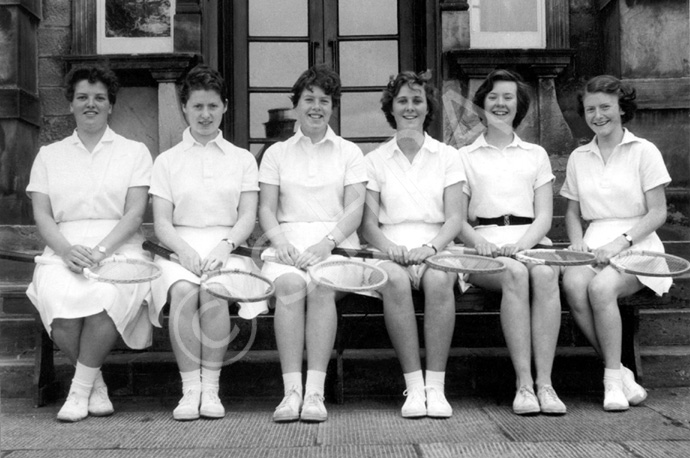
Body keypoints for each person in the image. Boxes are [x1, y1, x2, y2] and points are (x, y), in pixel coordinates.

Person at [26, 65, 153, 422]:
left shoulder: (134, 152)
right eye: (82, 97)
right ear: (71, 104)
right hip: (63, 248)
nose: (91, 104)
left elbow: (134, 214)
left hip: (119, 247)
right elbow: (43, 216)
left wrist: (99, 252)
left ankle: (78, 392)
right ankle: (93, 384)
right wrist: (66, 251)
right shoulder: (49, 155)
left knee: (105, 301)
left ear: (111, 105)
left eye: (99, 98)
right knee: (59, 305)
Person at [149, 65, 265, 421]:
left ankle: (211, 388)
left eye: (212, 106)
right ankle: (190, 390)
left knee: (214, 290)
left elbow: (247, 217)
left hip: (227, 248)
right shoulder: (167, 161)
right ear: (184, 108)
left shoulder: (242, 159)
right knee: (183, 292)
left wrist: (223, 247)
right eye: (197, 106)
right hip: (177, 248)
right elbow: (162, 222)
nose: (205, 114)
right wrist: (184, 253)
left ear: (225, 107)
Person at [258, 65, 367, 423]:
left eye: (324, 100)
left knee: (321, 288)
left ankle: (315, 392)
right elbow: (266, 209)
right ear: (296, 105)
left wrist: (327, 243)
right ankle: (291, 392)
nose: (316, 107)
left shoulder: (349, 152)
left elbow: (354, 210)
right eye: (309, 99)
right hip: (287, 244)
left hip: (336, 244)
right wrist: (280, 242)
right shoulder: (276, 154)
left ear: (333, 106)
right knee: (289, 286)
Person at [457, 69, 566, 415]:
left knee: (547, 275)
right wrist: (479, 243)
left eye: (508, 97)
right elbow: (457, 219)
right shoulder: (464, 156)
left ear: (519, 104)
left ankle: (545, 385)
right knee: (516, 275)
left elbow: (544, 217)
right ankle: (523, 385)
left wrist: (522, 246)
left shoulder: (535, 154)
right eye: (493, 97)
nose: (500, 103)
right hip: (483, 247)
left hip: (530, 241)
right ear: (482, 104)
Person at [560, 75, 670, 412]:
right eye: (590, 109)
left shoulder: (643, 151)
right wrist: (577, 243)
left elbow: (658, 213)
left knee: (601, 289)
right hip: (594, 245)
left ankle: (610, 379)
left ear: (621, 108)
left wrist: (620, 243)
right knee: (574, 282)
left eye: (605, 107)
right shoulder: (580, 156)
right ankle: (622, 373)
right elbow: (572, 212)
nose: (597, 115)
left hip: (640, 244)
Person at [360, 71, 464, 419]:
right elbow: (368, 223)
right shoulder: (374, 160)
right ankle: (414, 386)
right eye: (402, 100)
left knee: (437, 279)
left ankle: (436, 386)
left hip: (437, 247)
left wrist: (431, 248)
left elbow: (454, 219)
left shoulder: (448, 156)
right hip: (389, 250)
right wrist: (389, 247)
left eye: (417, 100)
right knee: (394, 279)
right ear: (390, 107)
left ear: (427, 106)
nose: (409, 107)